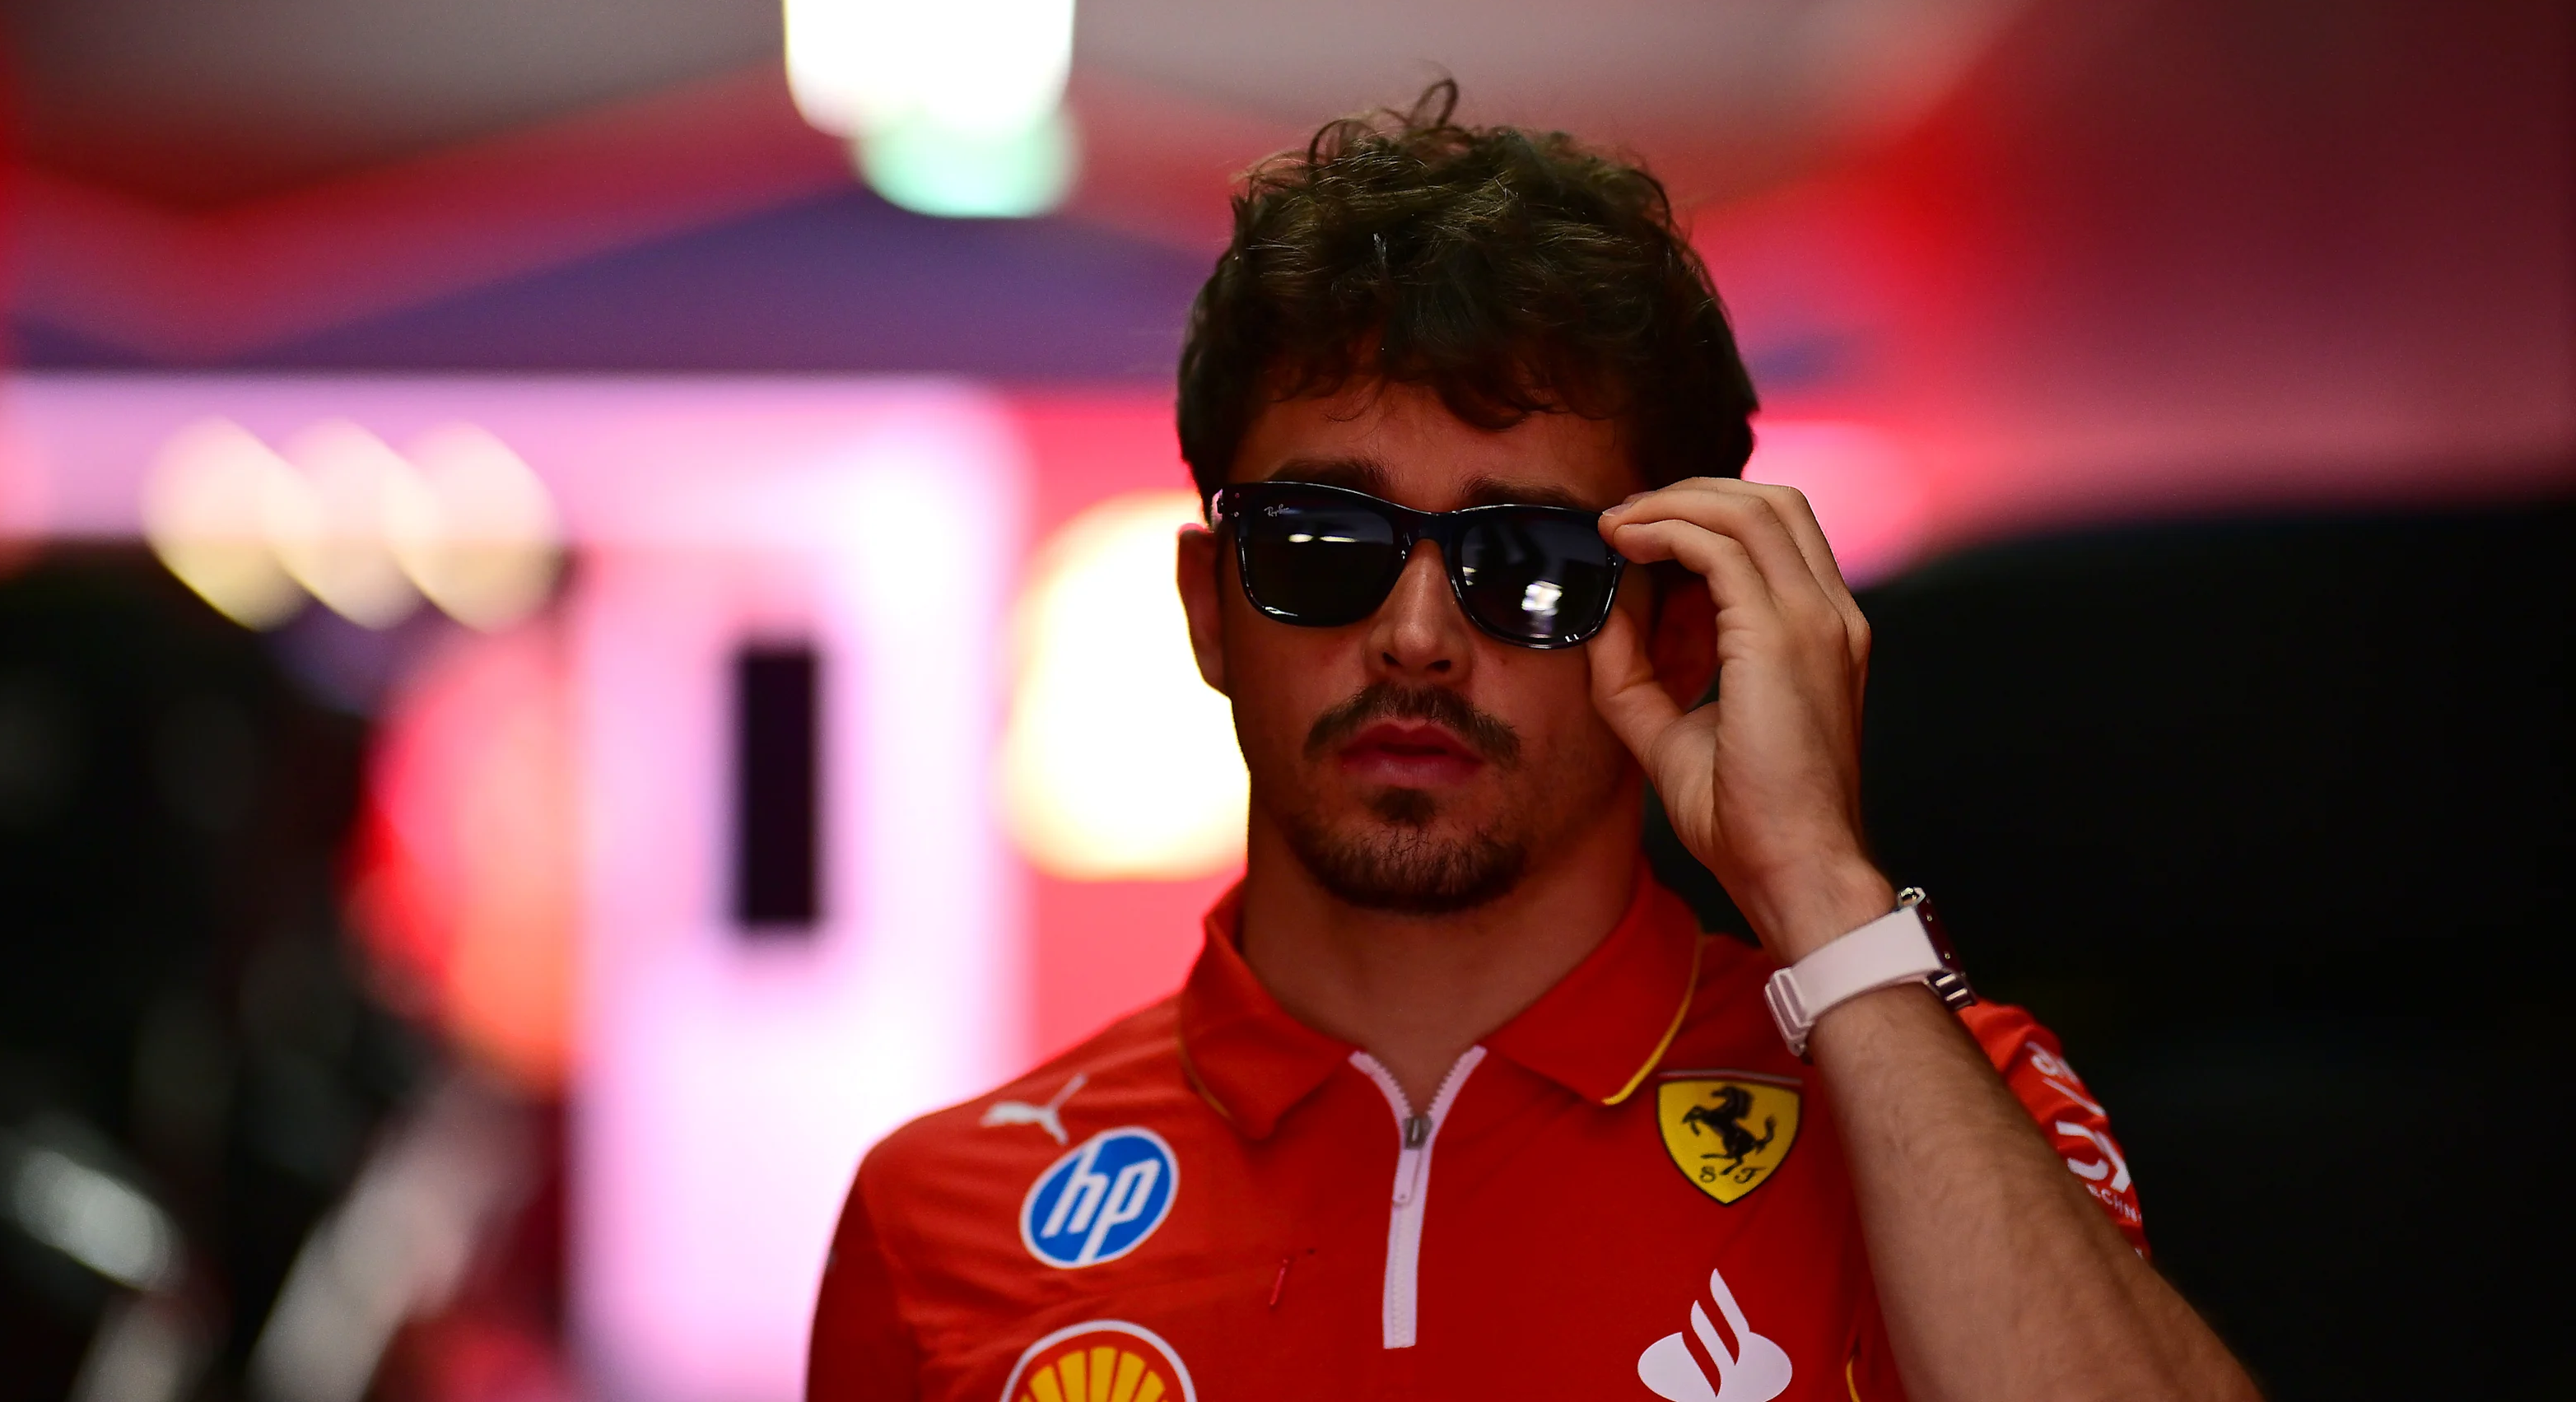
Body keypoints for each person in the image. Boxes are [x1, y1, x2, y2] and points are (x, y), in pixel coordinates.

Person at [808, 84, 2257, 1401]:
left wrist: (1819, 881)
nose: (1420, 636)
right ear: (1211, 607)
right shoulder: (942, 1213)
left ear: (1682, 633)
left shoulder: (1945, 1103)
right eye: (1325, 543)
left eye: (1530, 561)